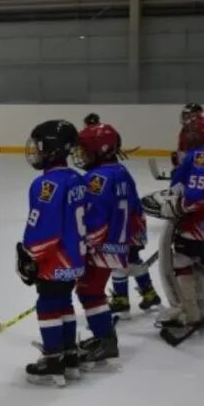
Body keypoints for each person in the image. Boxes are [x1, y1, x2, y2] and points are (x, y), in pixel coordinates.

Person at [74, 122, 152, 369]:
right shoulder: (120, 171)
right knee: (92, 291)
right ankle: (105, 338)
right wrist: (135, 239)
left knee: (89, 292)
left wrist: (83, 245)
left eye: (85, 149)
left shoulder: (96, 179)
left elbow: (93, 218)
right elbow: (135, 208)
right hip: (118, 244)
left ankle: (105, 340)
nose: (81, 154)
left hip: (102, 247)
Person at [17, 120, 86, 387]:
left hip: (54, 261)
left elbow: (43, 229)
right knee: (65, 303)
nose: (35, 151)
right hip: (75, 259)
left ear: (52, 149)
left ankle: (53, 360)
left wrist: (30, 255)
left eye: (40, 145)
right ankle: (70, 356)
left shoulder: (46, 185)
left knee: (47, 304)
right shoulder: (76, 179)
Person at [143, 113, 204, 333]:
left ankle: (189, 313)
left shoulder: (202, 156)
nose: (190, 133)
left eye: (195, 130)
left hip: (195, 221)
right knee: (202, 263)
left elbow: (198, 192)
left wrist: (177, 207)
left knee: (181, 263)